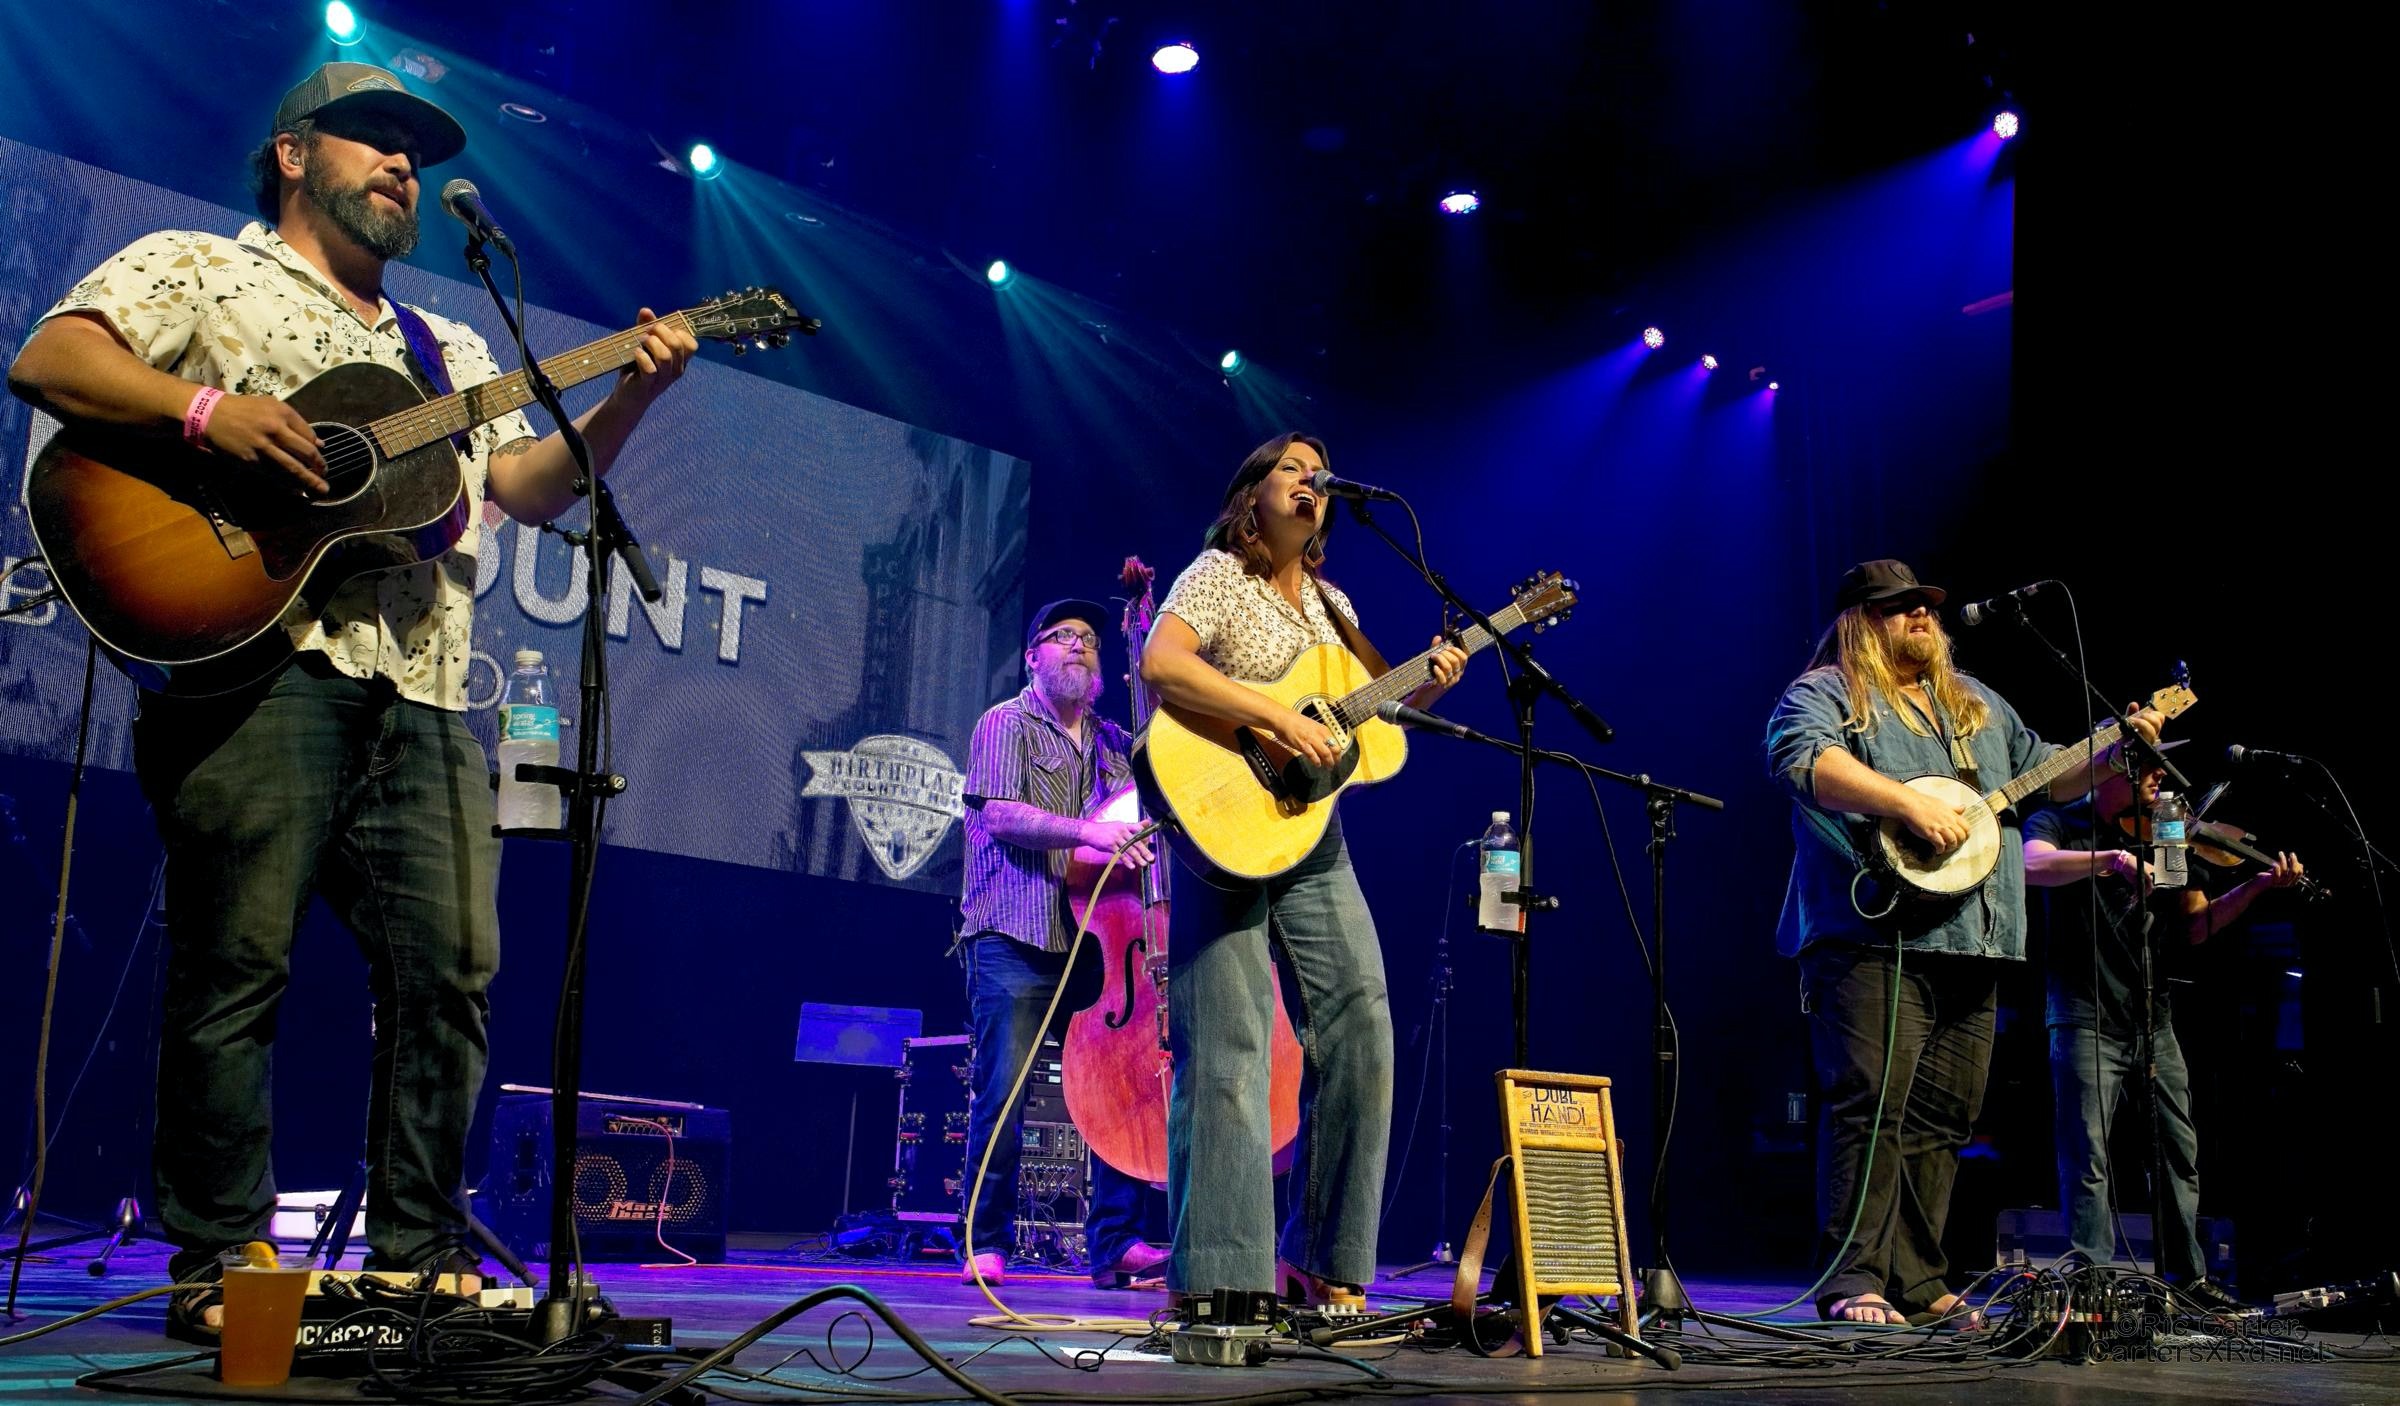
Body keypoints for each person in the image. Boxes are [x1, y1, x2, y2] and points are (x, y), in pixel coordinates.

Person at [6, 62, 696, 1338]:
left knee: (454, 971)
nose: (402, 165)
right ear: (292, 154)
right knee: (236, 967)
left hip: (424, 688)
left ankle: (417, 1255)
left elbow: (528, 486)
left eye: (413, 152)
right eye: (372, 137)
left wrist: (635, 392)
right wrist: (206, 410)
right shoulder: (200, 268)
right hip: (263, 662)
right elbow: (51, 358)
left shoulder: (451, 348)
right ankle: (223, 1259)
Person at [1762, 559, 2159, 1327]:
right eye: (1899, 606)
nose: (1921, 615)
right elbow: (1804, 759)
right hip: (1872, 937)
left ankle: (1917, 1280)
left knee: (1944, 1118)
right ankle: (1853, 1279)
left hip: (1978, 939)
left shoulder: (1976, 703)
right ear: (1860, 622)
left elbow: (2052, 776)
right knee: (1871, 1107)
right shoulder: (1828, 692)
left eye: (1925, 605)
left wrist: (2116, 750)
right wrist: (1905, 802)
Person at [1138, 431, 1466, 1308]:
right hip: (1220, 818)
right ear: (1253, 494)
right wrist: (1274, 717)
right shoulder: (1219, 575)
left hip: (1313, 834)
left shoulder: (1333, 603)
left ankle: (1321, 1260)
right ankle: (1220, 1278)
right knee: (1230, 1045)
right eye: (1291, 466)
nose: (1309, 479)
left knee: (1362, 1024)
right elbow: (1162, 664)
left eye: (1317, 472)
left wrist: (1429, 683)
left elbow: (1372, 722)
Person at [2024, 751, 2303, 1312]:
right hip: (2084, 1013)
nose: (2160, 777)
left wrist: (2255, 888)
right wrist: (2112, 860)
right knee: (2087, 1154)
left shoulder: (2169, 828)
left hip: (2153, 1020)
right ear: (2110, 768)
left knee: (2177, 1150)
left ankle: (2188, 1277)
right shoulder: (2062, 820)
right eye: (2149, 765)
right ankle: (2092, 1279)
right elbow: (2033, 863)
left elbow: (2194, 925)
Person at [957, 598, 1174, 1289]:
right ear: (1032, 657)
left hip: (1096, 940)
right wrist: (1089, 832)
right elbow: (1000, 814)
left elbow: (1154, 798)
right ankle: (986, 1242)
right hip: (1014, 933)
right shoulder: (1006, 723)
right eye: (1062, 637)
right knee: (1003, 1093)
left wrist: (1148, 650)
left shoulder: (1114, 740)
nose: (1079, 645)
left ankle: (1117, 1242)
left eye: (1089, 639)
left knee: (1122, 1084)